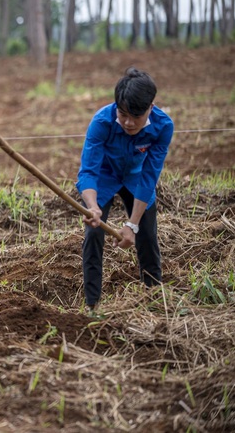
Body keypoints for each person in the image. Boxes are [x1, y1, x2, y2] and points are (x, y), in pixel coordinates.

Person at [76, 67, 174, 316]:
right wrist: (92, 205)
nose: (128, 122)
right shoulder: (102, 121)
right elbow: (88, 171)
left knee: (147, 235)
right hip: (105, 178)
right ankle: (92, 305)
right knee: (93, 235)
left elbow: (150, 175)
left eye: (136, 116)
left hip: (137, 179)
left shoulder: (163, 127)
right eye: (123, 114)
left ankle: (154, 297)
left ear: (151, 107)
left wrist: (133, 224)